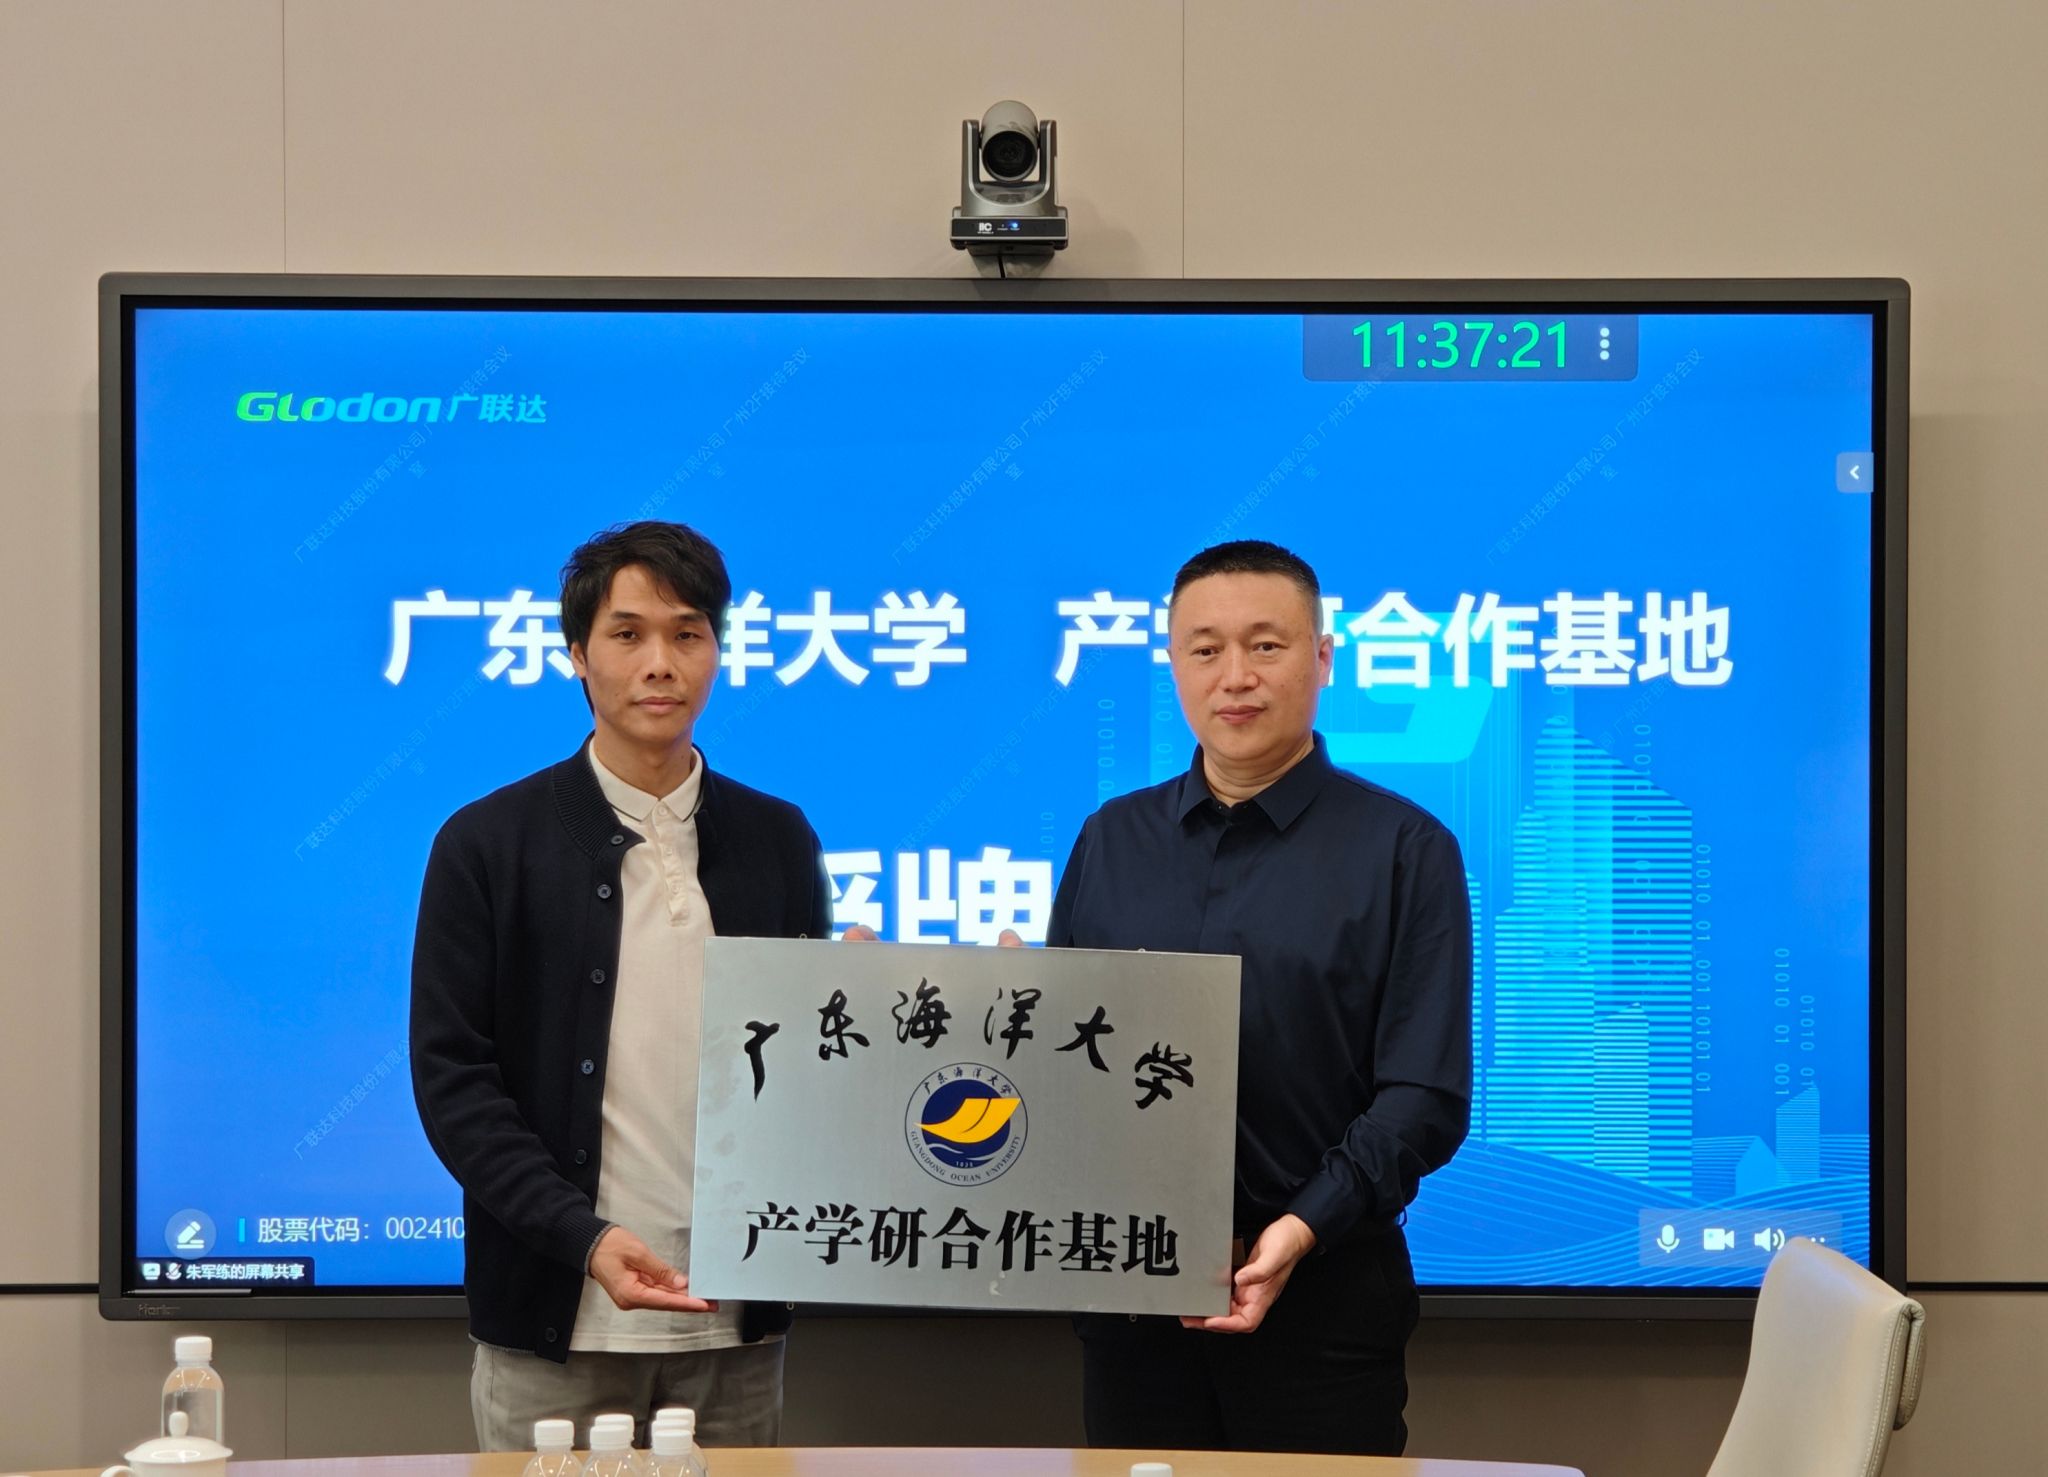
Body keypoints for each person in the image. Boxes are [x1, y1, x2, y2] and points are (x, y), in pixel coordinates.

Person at [410, 521, 839, 1451]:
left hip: (732, 1324)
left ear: (718, 650)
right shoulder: (486, 844)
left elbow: (809, 1076)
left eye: (688, 634)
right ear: (577, 652)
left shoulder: (778, 839)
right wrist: (585, 1237)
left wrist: (878, 1008)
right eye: (627, 633)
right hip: (556, 1324)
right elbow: (454, 1082)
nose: (660, 663)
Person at [1045, 539, 1472, 1455]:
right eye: (1205, 649)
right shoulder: (1110, 840)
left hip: (1325, 1303)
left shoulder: (1406, 849)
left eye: (1266, 645)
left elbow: (1424, 1095)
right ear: (1174, 663)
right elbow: (1062, 1071)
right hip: (1132, 1310)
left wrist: (1299, 1227)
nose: (1234, 676)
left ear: (1322, 658)